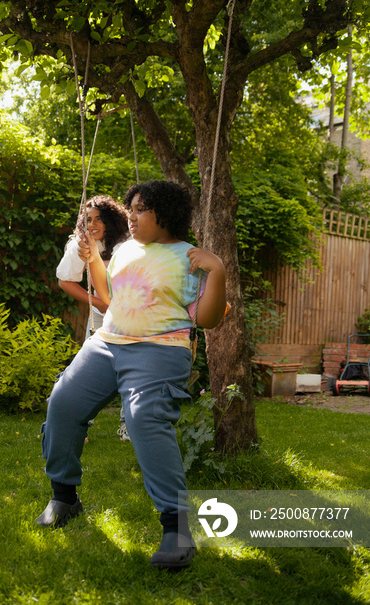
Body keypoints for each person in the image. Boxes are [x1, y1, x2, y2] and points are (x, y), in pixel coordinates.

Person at [36, 180, 227, 570]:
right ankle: (64, 498)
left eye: (140, 209)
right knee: (63, 403)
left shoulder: (191, 257)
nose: (131, 216)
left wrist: (218, 271)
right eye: (131, 208)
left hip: (161, 348)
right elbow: (109, 299)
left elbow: (208, 320)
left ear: (164, 214)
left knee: (144, 420)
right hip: (108, 342)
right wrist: (92, 260)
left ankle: (176, 528)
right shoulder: (124, 249)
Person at [56, 194, 130, 439]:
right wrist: (99, 303)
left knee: (129, 366)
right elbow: (65, 280)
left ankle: (128, 424)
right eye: (88, 219)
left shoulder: (127, 242)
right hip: (101, 314)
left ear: (111, 220)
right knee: (89, 368)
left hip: (132, 313)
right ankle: (81, 422)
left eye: (99, 218)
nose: (93, 224)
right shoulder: (82, 242)